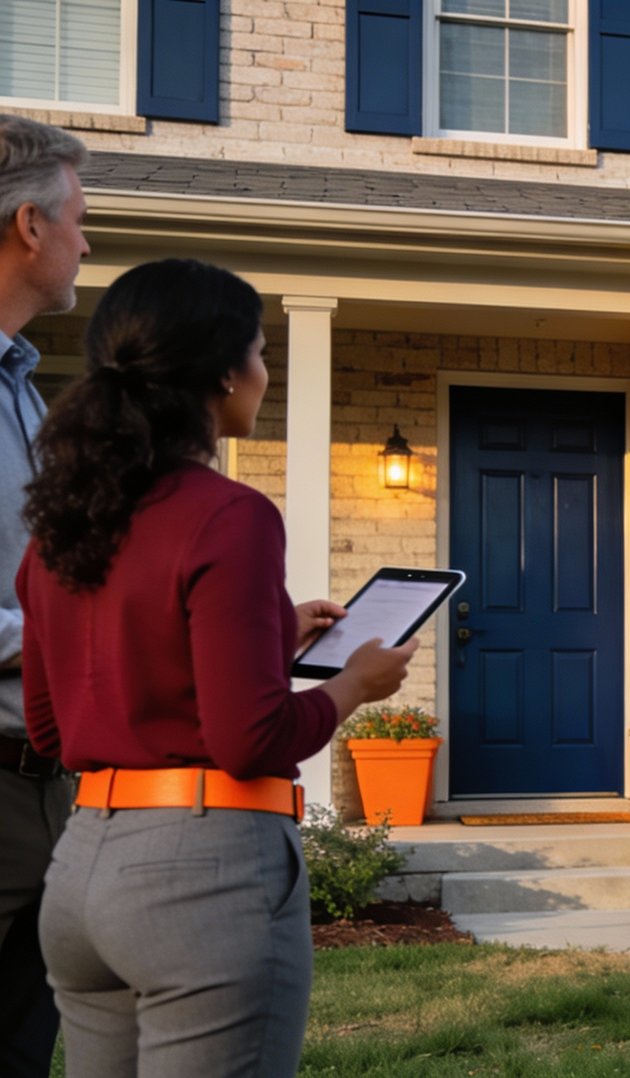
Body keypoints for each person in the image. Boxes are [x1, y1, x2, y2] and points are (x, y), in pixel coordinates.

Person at [17, 259, 418, 1076]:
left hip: (81, 871)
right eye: (262, 352)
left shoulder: (62, 524)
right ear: (225, 374)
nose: (266, 373)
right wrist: (353, 685)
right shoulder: (230, 514)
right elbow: (251, 738)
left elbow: (53, 725)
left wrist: (272, 630)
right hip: (199, 879)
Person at [0, 113, 89, 1078]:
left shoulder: (23, 389)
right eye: (78, 220)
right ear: (30, 224)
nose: (85, 242)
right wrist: (62, 635)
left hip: (43, 778)